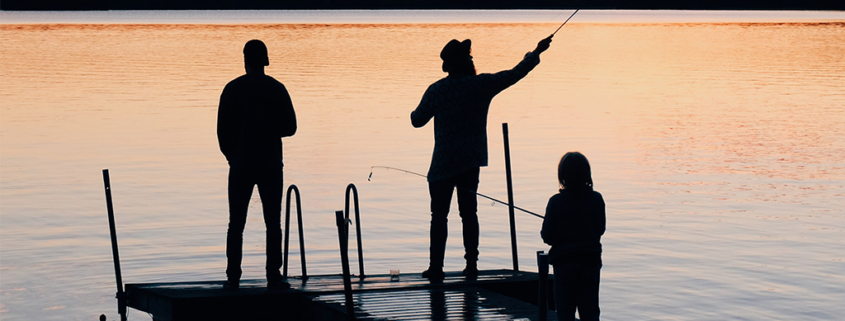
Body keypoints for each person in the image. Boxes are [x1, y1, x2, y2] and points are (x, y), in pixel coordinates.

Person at [411, 35, 553, 279]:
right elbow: (514, 74)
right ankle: (472, 266)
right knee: (469, 214)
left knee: (439, 217)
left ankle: (436, 268)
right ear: (467, 62)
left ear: (448, 66)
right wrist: (536, 53)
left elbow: (416, 120)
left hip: (442, 166)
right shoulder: (481, 85)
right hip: (470, 164)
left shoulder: (437, 90)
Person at [217, 39, 297, 290]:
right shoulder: (277, 88)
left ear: (245, 61)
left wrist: (233, 156)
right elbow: (291, 128)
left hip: (240, 165)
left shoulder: (231, 89)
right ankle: (273, 274)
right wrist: (271, 133)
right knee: (273, 222)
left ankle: (233, 277)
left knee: (236, 224)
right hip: (271, 164)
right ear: (265, 61)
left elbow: (222, 132)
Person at [541, 152, 606, 321]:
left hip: (564, 266)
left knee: (564, 312)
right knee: (590, 311)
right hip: (590, 263)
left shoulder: (555, 202)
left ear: (562, 176)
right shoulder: (596, 199)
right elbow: (600, 229)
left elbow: (547, 236)